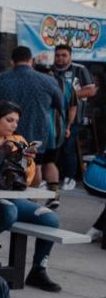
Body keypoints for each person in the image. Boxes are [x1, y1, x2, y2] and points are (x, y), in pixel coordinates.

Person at [0, 101, 64, 293]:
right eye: (9, 120)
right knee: (9, 211)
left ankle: (38, 270)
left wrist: (27, 162)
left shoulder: (20, 141)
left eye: (16, 121)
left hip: (11, 197)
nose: (14, 125)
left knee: (50, 218)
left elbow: (28, 181)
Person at [0, 46, 64, 207]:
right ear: (31, 61)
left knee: (2, 164)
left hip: (3, 133)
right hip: (36, 130)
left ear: (12, 62)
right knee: (35, 167)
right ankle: (29, 201)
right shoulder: (49, 81)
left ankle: (6, 199)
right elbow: (60, 106)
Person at [52, 43, 97, 189]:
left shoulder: (79, 69)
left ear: (70, 56)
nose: (60, 58)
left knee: (68, 147)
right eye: (57, 55)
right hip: (52, 118)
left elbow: (91, 91)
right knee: (53, 148)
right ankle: (51, 178)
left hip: (74, 118)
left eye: (64, 55)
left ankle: (69, 178)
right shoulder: (50, 70)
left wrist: (67, 96)